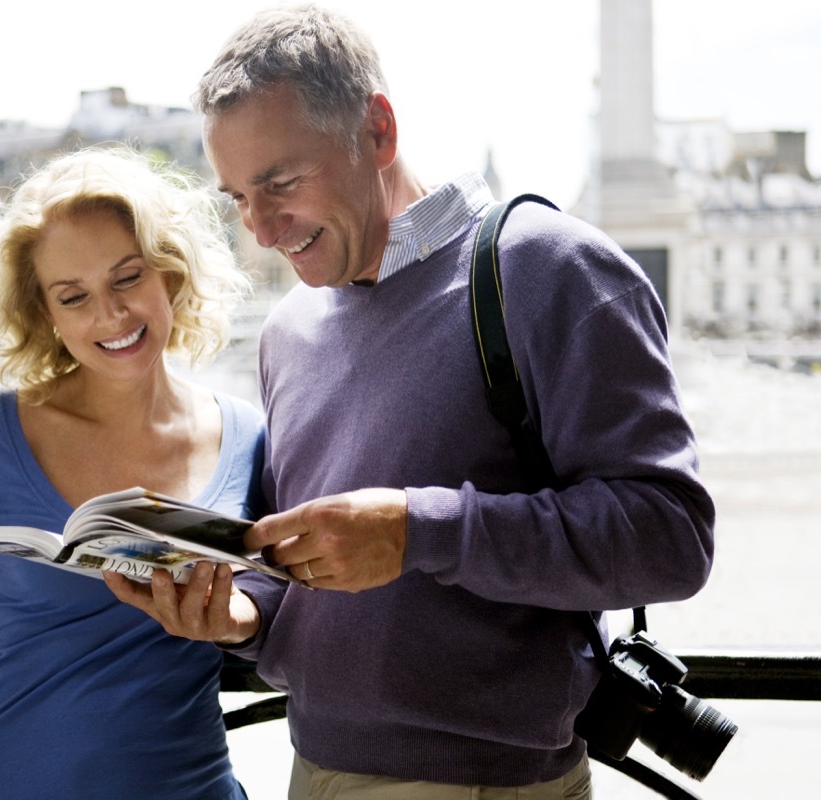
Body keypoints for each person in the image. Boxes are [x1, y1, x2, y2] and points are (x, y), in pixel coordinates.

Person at [106, 5, 716, 798]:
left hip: (483, 782)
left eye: (280, 183)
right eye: (235, 199)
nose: (258, 228)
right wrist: (238, 617)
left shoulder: (551, 269)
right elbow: (300, 570)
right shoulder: (288, 330)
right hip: (311, 767)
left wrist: (417, 529)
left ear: (379, 131)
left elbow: (670, 538)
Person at [0, 146, 263, 800]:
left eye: (127, 277)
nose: (111, 316)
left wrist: (235, 620)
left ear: (169, 271)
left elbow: (284, 616)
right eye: (75, 296)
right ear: (45, 314)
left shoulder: (248, 439)